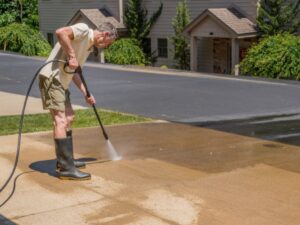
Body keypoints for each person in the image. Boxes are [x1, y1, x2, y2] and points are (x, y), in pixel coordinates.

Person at [38, 22, 118, 180]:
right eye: (108, 43)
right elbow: (60, 32)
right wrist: (72, 55)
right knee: (60, 121)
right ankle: (66, 169)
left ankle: (66, 160)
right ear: (105, 35)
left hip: (62, 82)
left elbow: (74, 70)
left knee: (69, 118)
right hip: (52, 78)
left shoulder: (87, 46)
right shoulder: (83, 30)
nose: (106, 47)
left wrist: (86, 93)